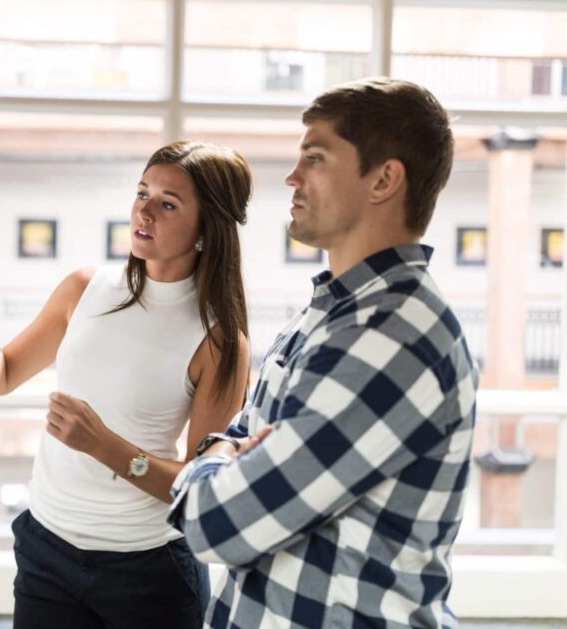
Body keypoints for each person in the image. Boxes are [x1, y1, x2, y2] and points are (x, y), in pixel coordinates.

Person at [168, 77, 478, 629]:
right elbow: (236, 437)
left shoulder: (392, 338)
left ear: (384, 179)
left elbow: (216, 525)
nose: (292, 177)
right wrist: (229, 454)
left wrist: (214, 464)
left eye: (315, 157)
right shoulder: (329, 313)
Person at [0, 140, 254, 629]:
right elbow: (0, 375)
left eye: (168, 203)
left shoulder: (220, 341)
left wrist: (104, 445)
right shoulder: (84, 288)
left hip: (148, 571)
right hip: (47, 550)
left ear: (206, 229)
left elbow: (200, 487)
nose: (144, 210)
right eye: (142, 192)